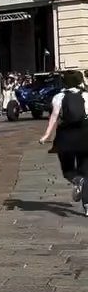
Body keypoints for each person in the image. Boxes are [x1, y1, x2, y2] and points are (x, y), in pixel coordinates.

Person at [39, 70, 88, 212]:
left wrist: (46, 135)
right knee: (86, 171)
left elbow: (54, 118)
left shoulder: (58, 97)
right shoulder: (86, 95)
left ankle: (75, 179)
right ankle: (87, 206)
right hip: (85, 135)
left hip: (66, 137)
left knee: (67, 169)